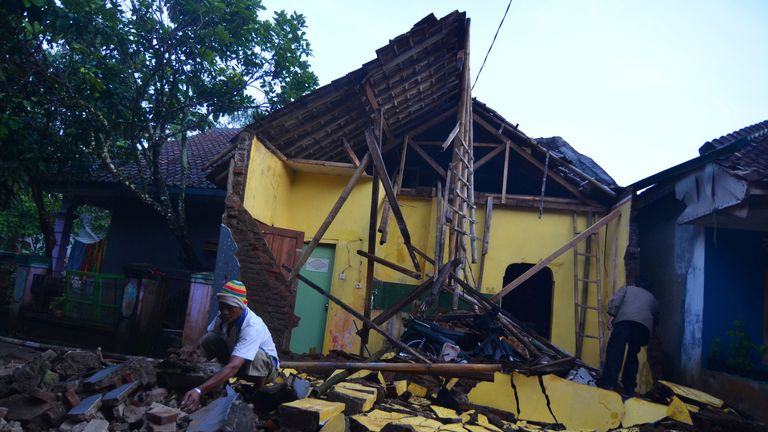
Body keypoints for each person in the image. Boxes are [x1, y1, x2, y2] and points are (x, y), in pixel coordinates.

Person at [181, 280, 279, 410]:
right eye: (222, 307)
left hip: (265, 370)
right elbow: (208, 335)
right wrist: (192, 349)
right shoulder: (223, 316)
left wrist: (199, 390)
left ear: (241, 307)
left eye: (230, 308)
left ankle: (256, 393)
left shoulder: (252, 326)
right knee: (210, 338)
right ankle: (206, 372)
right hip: (237, 360)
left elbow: (234, 366)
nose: (225, 311)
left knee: (256, 355)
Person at [599, 282, 658, 396]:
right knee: (633, 354)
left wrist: (612, 314)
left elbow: (615, 302)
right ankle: (629, 387)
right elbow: (656, 315)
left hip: (624, 321)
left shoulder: (627, 289)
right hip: (642, 327)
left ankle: (609, 384)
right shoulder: (652, 297)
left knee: (616, 351)